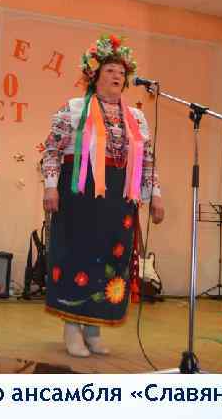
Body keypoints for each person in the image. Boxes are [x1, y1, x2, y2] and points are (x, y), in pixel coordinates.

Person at [41, 34, 164, 357]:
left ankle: (94, 328)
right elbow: (52, 150)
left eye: (121, 72)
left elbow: (147, 160)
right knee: (77, 257)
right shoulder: (73, 109)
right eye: (110, 70)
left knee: (112, 260)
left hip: (119, 199)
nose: (117, 76)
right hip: (79, 195)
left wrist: (156, 195)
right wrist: (50, 186)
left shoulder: (136, 118)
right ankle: (72, 327)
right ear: (95, 75)